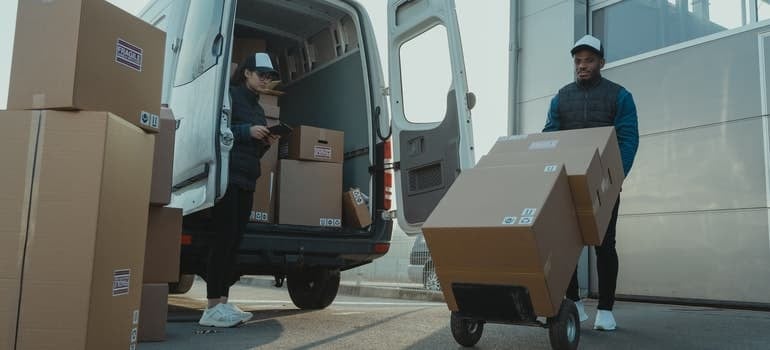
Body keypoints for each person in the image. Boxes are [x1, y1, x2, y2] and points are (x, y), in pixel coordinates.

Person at [543, 35, 639, 331]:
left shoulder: (619, 96)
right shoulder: (561, 97)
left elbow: (628, 139)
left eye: (589, 60)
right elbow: (550, 136)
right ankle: (574, 303)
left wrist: (615, 177)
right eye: (578, 61)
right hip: (567, 184)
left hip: (604, 186)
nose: (582, 66)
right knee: (566, 245)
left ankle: (606, 311)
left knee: (604, 245)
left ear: (601, 63)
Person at [198, 52, 280, 327]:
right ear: (246, 72)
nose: (265, 81)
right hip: (228, 176)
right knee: (222, 240)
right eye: (261, 75)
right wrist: (247, 131)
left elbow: (252, 145)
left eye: (269, 77)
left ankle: (222, 303)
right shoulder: (230, 96)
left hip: (247, 178)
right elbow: (216, 128)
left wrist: (265, 140)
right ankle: (211, 307)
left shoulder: (258, 107)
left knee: (234, 241)